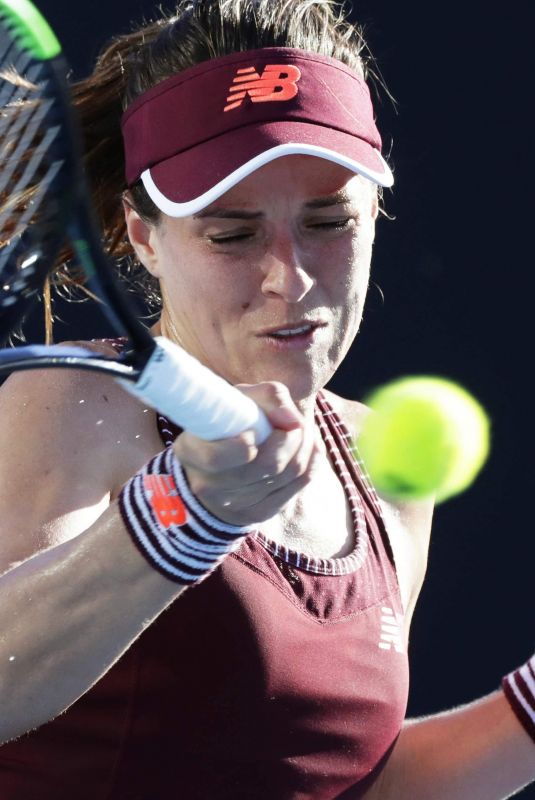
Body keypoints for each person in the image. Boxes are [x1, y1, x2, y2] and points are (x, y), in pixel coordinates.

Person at [0, 1, 534, 798]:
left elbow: (345, 784)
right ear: (144, 235)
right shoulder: (76, 403)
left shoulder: (382, 468)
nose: (292, 277)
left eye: (328, 222)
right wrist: (185, 513)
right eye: (232, 234)